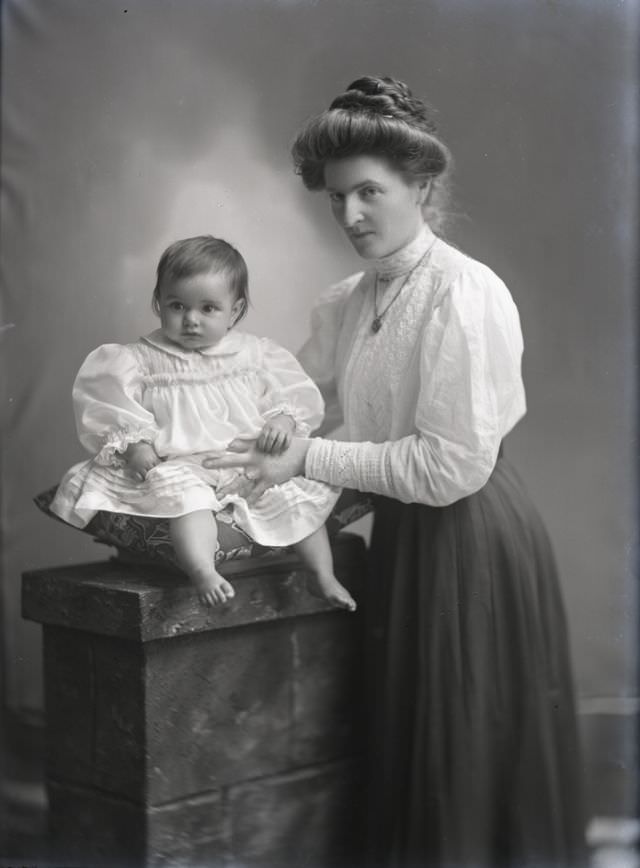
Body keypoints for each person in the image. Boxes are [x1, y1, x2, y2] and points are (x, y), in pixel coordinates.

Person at [204, 77, 587, 866]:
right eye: (336, 198)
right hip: (407, 538)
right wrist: (188, 436)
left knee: (461, 749)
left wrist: (304, 457)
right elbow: (290, 406)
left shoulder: (465, 293)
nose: (349, 216)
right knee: (417, 746)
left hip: (473, 537)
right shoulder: (346, 300)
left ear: (422, 185)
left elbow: (449, 466)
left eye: (369, 193)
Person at [50, 235, 356, 611]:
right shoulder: (140, 359)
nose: (191, 319)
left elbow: (289, 395)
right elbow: (112, 409)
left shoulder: (254, 355)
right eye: (177, 305)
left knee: (293, 496)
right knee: (187, 501)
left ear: (235, 310)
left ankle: (321, 575)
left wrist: (282, 420)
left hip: (244, 460)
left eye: (208, 308)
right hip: (181, 463)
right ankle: (203, 571)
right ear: (157, 302)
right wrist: (136, 445)